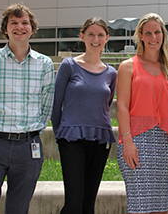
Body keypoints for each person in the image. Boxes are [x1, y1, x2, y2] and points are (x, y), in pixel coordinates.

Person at [0, 3, 55, 214]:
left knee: (18, 209)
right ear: (5, 29)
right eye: (13, 23)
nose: (19, 27)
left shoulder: (44, 64)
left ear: (32, 29)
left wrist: (32, 133)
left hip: (28, 148)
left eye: (25, 22)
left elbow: (47, 105)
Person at [116, 13, 168, 214]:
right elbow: (122, 106)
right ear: (141, 35)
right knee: (139, 207)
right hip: (136, 142)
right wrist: (127, 141)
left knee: (162, 207)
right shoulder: (128, 66)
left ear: (163, 35)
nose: (153, 37)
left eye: (157, 32)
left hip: (166, 144)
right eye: (148, 33)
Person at [51, 17, 117, 214]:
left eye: (100, 35)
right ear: (82, 37)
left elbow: (105, 104)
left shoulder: (111, 73)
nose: (95, 39)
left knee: (89, 203)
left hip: (100, 139)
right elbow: (56, 105)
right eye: (91, 34)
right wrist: (59, 135)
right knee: (73, 202)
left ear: (106, 38)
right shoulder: (69, 65)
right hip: (71, 140)